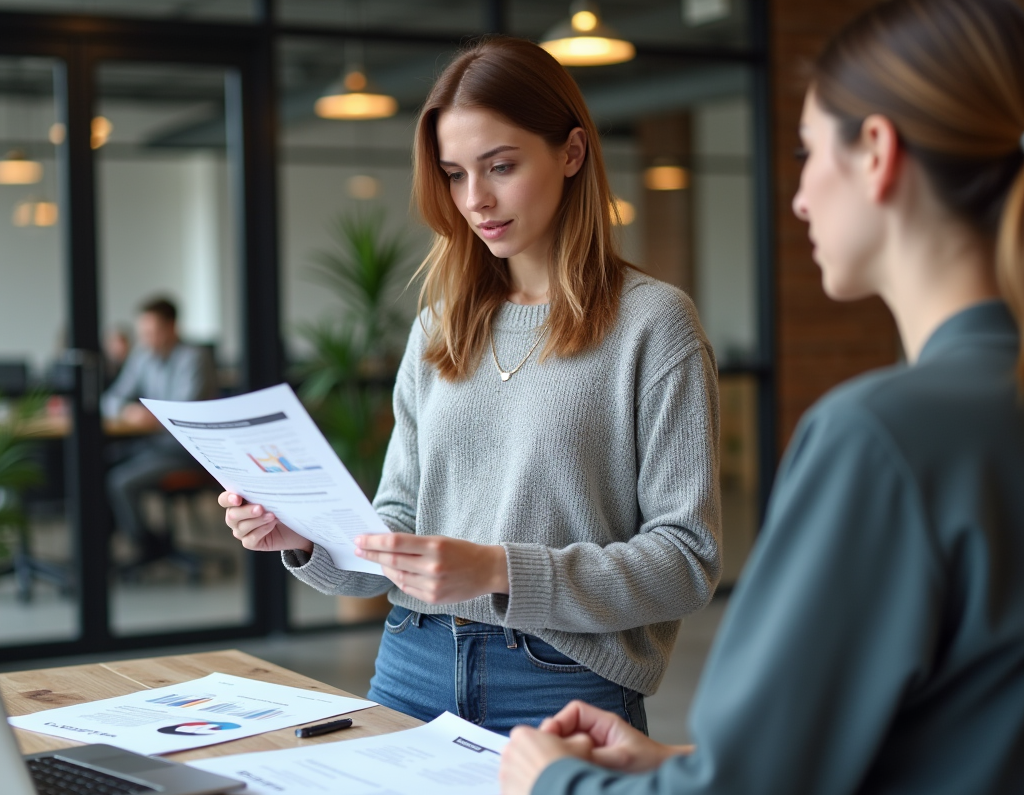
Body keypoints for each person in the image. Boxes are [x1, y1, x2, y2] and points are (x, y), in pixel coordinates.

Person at [498, 0, 1024, 795]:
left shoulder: (882, 438)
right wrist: (677, 763)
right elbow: (959, 733)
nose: (802, 197)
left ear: (877, 152)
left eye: (809, 151)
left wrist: (555, 784)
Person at [222, 38, 722, 736]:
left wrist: (497, 570)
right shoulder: (439, 327)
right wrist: (305, 537)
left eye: (502, 166)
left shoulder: (653, 324)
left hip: (560, 680)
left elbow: (687, 561)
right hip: (412, 659)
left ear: (572, 153)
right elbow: (395, 529)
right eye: (455, 175)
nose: (475, 200)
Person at [103, 296, 214, 563]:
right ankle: (104, 550)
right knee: (98, 465)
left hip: (187, 451)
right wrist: (126, 410)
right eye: (143, 333)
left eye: (153, 332)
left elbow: (181, 411)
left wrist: (151, 414)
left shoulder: (194, 358)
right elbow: (110, 399)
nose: (147, 339)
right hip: (153, 445)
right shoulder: (142, 357)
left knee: (120, 481)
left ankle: (148, 547)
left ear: (172, 327)